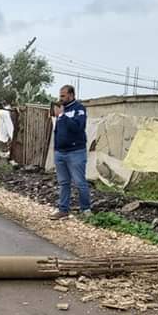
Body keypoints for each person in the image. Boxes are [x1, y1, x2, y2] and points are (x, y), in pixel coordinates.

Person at [50, 85, 91, 220]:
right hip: (60, 152)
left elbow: (78, 128)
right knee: (63, 183)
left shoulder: (79, 109)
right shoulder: (61, 110)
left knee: (80, 182)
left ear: (71, 95)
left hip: (76, 152)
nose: (60, 98)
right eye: (60, 95)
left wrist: (62, 115)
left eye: (63, 96)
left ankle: (86, 210)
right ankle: (63, 209)